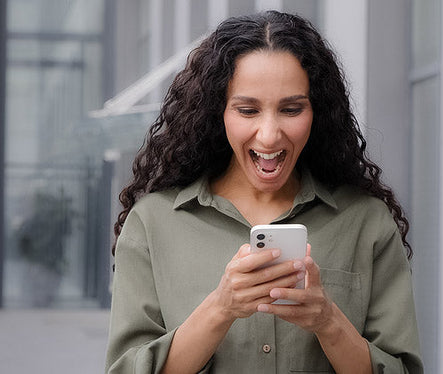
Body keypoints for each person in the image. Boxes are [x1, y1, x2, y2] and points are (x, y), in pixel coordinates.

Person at [105, 10, 423, 374]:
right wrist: (221, 308)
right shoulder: (152, 223)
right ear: (218, 112)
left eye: (291, 109)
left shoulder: (366, 222)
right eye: (247, 110)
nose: (269, 135)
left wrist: (328, 320)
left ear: (316, 112)